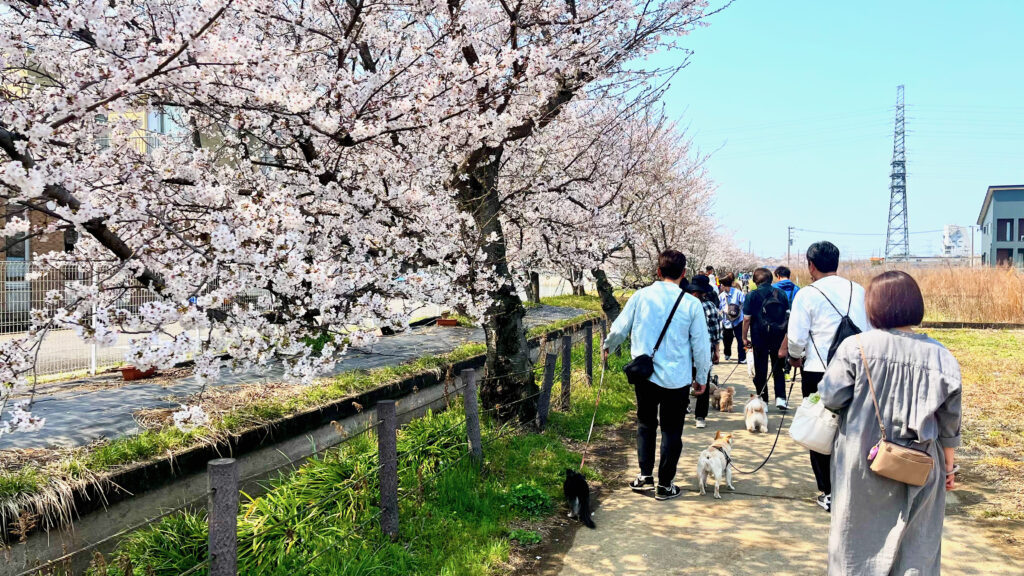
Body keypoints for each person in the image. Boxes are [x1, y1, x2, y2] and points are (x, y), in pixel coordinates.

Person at [820, 270, 961, 575]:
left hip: (862, 461)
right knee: (917, 543)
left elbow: (831, 398)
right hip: (922, 464)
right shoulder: (942, 356)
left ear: (873, 307)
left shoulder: (854, 348)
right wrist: (949, 467)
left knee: (853, 538)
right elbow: (950, 424)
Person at [603, 250, 711, 500]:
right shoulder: (691, 303)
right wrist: (702, 377)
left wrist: (608, 345)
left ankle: (644, 476)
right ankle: (665, 484)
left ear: (658, 271)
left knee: (645, 423)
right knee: (672, 430)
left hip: (645, 376)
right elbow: (701, 346)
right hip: (677, 377)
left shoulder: (641, 296)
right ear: (684, 274)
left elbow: (620, 328)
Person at [786, 241, 870, 512]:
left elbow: (796, 339)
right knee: (853, 429)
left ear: (811, 265)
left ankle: (828, 491)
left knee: (820, 430)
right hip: (857, 369)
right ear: (837, 262)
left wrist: (795, 356)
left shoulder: (807, 294)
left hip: (818, 372)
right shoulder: (857, 290)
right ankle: (852, 488)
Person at [741, 268, 790, 409]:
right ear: (771, 279)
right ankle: (781, 398)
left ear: (755, 281)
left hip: (759, 336)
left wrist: (744, 338)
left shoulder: (752, 295)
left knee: (761, 368)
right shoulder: (780, 293)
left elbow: (746, 319)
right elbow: (787, 315)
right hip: (778, 336)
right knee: (778, 367)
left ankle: (763, 400)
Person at [686, 275, 721, 429]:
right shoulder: (710, 306)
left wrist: (716, 351)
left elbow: (715, 331)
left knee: (689, 381)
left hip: (685, 350)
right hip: (703, 350)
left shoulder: (683, 304)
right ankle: (700, 416)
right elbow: (715, 332)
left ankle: (692, 411)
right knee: (703, 381)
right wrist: (716, 350)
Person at [773, 266, 800, 380]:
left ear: (778, 276)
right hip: (792, 321)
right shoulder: (797, 289)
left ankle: (777, 370)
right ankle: (787, 371)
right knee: (788, 345)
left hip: (777, 321)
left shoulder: (773, 288)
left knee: (777, 346)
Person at [718, 274, 745, 363]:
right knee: (727, 339)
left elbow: (744, 304)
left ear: (725, 285)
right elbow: (719, 308)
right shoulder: (722, 296)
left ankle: (741, 358)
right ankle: (727, 353)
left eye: (722, 285)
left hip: (738, 320)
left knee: (740, 339)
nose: (721, 286)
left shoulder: (738, 293)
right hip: (727, 321)